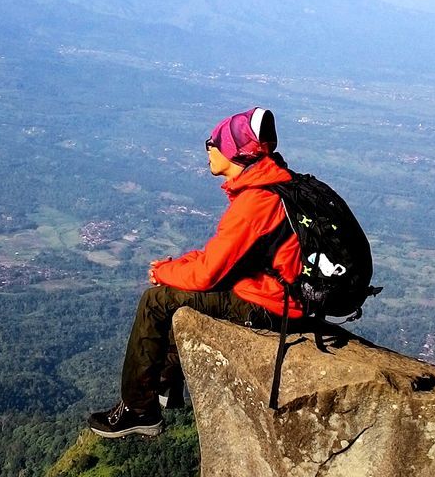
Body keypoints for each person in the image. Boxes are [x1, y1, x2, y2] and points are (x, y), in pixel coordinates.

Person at [88, 107, 303, 438]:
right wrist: (179, 267)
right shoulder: (274, 185)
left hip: (272, 305)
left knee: (156, 301)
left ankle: (139, 409)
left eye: (213, 141)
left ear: (233, 150)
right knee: (178, 290)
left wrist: (164, 273)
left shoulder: (255, 202)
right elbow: (224, 258)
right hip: (277, 291)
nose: (208, 148)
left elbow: (207, 276)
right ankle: (165, 382)